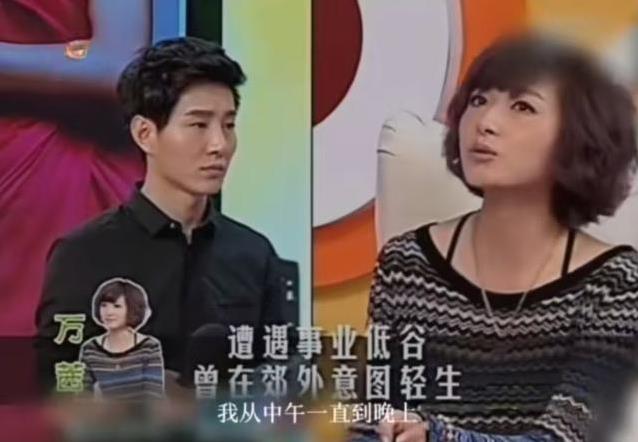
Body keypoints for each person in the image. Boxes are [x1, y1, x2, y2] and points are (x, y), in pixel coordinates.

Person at [361, 34, 638, 442]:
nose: (485, 122)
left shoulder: (617, 283)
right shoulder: (406, 263)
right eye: (478, 101)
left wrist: (437, 436)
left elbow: (564, 437)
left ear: (577, 137)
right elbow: (374, 415)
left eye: (522, 107)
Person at [36, 37, 290, 386]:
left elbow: (282, 373)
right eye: (199, 125)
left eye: (229, 125)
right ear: (145, 134)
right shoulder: (83, 254)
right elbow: (56, 382)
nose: (219, 145)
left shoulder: (254, 255)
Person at [79, 278, 164, 399]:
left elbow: (153, 396)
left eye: (117, 306)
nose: (109, 312)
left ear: (132, 309)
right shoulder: (90, 349)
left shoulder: (149, 346)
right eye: (104, 306)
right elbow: (83, 395)